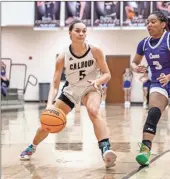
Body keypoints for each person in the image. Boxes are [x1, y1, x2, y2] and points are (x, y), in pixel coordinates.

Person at [20, 20, 117, 168]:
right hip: (71, 90)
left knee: (93, 111)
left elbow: (107, 74)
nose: (81, 33)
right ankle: (32, 146)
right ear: (70, 33)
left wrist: (97, 82)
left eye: (84, 31)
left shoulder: (95, 50)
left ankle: (105, 150)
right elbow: (55, 83)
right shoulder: (62, 56)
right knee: (48, 122)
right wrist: (49, 104)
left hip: (91, 87)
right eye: (77, 31)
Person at [131, 11, 170, 166]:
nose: (149, 25)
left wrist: (169, 77)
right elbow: (134, 62)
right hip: (157, 83)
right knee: (153, 113)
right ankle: (145, 150)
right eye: (148, 22)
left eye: (153, 21)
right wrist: (136, 68)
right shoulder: (144, 43)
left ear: (163, 24)